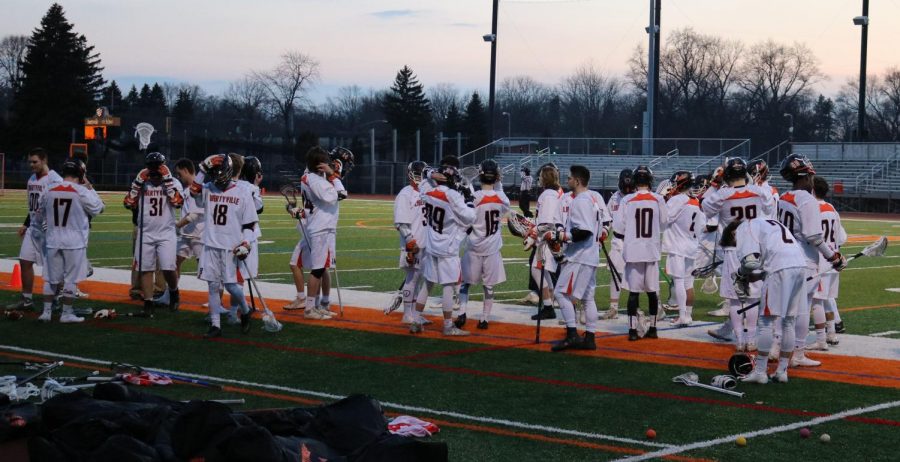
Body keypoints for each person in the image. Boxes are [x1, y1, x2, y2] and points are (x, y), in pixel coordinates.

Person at [777, 154, 846, 367]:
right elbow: (814, 236)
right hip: (803, 260)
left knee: (786, 309)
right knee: (801, 309)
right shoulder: (806, 200)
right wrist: (833, 256)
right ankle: (796, 354)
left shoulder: (783, 197)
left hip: (784, 257)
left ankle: (781, 350)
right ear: (805, 175)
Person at [701, 157, 774, 351]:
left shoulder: (722, 195)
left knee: (734, 298)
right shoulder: (759, 191)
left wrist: (714, 184)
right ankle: (751, 339)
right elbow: (769, 207)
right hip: (754, 249)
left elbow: (705, 207)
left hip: (733, 249)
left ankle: (740, 340)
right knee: (752, 297)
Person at [724, 218, 807, 384]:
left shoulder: (745, 228)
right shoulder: (768, 224)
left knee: (766, 321)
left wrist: (740, 274)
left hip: (780, 269)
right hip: (799, 265)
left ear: (734, 231)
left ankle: (760, 372)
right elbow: (773, 257)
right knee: (788, 321)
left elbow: (751, 261)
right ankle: (782, 371)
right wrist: (758, 275)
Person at [190, 154, 259, 338]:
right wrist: (202, 169)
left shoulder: (242, 193)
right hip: (211, 244)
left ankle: (244, 310)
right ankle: (215, 325)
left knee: (231, 286)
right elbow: (193, 191)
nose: (218, 181)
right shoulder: (209, 188)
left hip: (231, 246)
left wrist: (246, 242)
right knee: (212, 286)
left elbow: (250, 224)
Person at [409, 163, 476, 336]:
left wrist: (431, 173)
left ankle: (415, 319)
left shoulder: (428, 191)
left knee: (428, 284)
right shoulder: (452, 195)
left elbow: (423, 179)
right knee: (448, 285)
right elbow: (470, 216)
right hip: (447, 247)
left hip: (432, 245)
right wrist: (469, 199)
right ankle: (447, 326)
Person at [36, 159, 104, 322]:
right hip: (74, 241)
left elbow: (39, 213)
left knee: (51, 278)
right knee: (70, 279)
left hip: (53, 239)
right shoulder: (80, 191)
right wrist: (90, 188)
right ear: (81, 174)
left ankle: (46, 312)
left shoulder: (49, 189)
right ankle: (66, 313)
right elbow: (99, 207)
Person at [550, 165, 603, 351]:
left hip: (580, 256)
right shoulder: (593, 199)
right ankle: (590, 337)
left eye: (570, 178)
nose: (567, 180)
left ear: (578, 181)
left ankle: (572, 335)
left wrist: (563, 237)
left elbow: (585, 231)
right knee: (588, 298)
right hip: (591, 255)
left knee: (560, 293)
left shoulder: (581, 200)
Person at [123, 152, 184, 315]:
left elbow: (178, 203)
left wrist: (168, 182)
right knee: (145, 268)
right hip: (146, 232)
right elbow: (128, 204)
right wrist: (136, 184)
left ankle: (173, 291)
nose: (155, 175)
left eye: (158, 170)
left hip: (166, 232)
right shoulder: (143, 183)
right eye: (152, 170)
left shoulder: (174, 182)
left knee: (168, 268)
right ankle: (148, 303)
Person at [614, 165, 667, 341]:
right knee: (652, 292)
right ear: (650, 181)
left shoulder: (627, 200)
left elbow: (618, 228)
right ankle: (653, 328)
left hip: (633, 250)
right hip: (651, 249)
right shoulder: (658, 199)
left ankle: (632, 330)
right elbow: (663, 224)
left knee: (633, 293)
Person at [6, 148, 62, 311]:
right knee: (24, 261)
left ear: (44, 160)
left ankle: (57, 298)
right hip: (34, 228)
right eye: (30, 161)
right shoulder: (32, 179)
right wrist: (26, 223)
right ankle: (27, 300)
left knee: (53, 267)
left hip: (49, 230)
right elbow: (34, 206)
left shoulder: (54, 180)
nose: (31, 165)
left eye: (35, 161)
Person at [456, 159, 510, 330]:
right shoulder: (502, 199)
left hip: (474, 246)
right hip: (492, 248)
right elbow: (500, 194)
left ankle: (462, 312)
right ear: (496, 177)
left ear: (480, 175)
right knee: (489, 286)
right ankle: (484, 319)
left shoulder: (475, 197)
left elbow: (465, 218)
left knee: (465, 283)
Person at [297, 147, 341, 319]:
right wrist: (333, 175)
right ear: (320, 165)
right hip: (320, 226)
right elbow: (337, 194)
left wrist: (331, 175)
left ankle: (315, 305)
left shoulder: (310, 177)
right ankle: (309, 309)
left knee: (321, 267)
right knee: (317, 269)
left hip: (320, 225)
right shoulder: (314, 180)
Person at [391, 161, 431, 326]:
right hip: (413, 242)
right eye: (416, 173)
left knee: (419, 278)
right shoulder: (405, 194)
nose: (419, 177)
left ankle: (414, 313)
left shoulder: (428, 193)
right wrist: (410, 240)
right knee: (412, 278)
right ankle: (407, 314)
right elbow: (400, 222)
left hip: (427, 242)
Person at [663, 171, 704, 326]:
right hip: (692, 246)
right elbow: (701, 226)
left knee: (678, 281)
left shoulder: (677, 199)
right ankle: (688, 315)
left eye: (674, 182)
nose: (672, 186)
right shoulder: (694, 200)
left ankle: (681, 316)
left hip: (678, 246)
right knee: (688, 283)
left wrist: (662, 200)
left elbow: (664, 218)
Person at [527, 163, 564, 321]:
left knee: (537, 270)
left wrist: (533, 234)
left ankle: (550, 306)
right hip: (548, 237)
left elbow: (547, 222)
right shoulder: (551, 193)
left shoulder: (548, 195)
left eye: (541, 176)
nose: (539, 179)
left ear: (545, 178)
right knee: (543, 271)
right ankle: (550, 304)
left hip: (547, 240)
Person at [811, 176, 845, 348]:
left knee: (817, 300)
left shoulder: (811, 209)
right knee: (828, 299)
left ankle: (820, 340)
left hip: (821, 260)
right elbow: (841, 237)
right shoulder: (832, 208)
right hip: (834, 258)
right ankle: (831, 334)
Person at [601, 169, 634, 320]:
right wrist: (605, 230)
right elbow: (607, 218)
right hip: (618, 240)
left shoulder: (638, 197)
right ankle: (613, 308)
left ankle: (657, 306)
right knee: (615, 274)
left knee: (640, 276)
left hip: (635, 241)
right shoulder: (614, 198)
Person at [174, 158, 204, 280]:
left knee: (206, 270)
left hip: (199, 235)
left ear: (186, 171)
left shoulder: (200, 189)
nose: (179, 177)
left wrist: (177, 225)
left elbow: (193, 215)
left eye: (179, 174)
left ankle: (214, 299)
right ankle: (172, 293)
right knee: (173, 263)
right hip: (186, 234)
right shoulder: (186, 190)